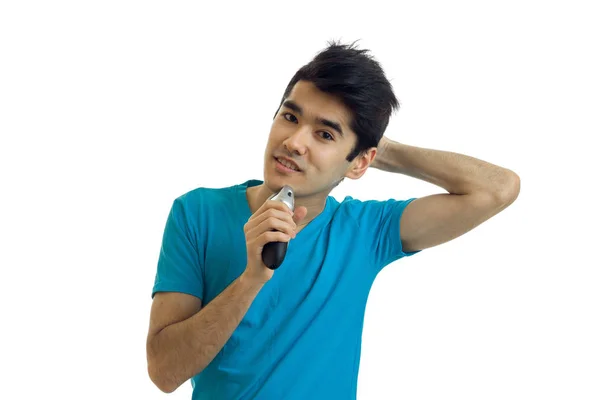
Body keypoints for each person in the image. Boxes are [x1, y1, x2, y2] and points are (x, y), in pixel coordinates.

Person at [146, 40, 520, 399]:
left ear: (360, 163)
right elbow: (164, 373)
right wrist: (250, 280)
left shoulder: (366, 231)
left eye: (324, 134)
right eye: (290, 117)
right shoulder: (196, 213)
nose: (294, 141)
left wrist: (376, 146)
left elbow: (497, 189)